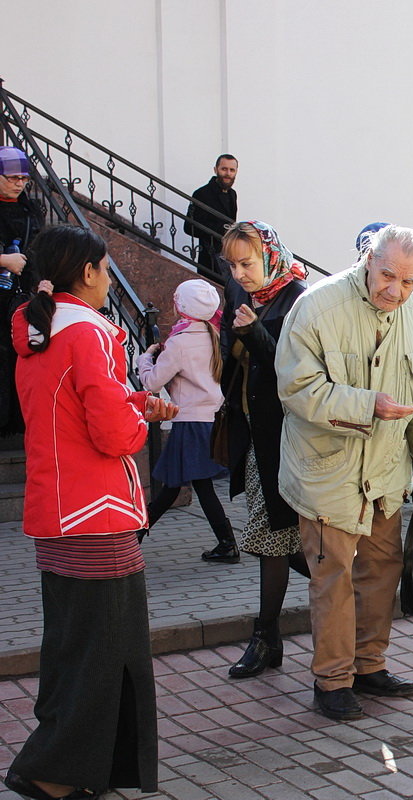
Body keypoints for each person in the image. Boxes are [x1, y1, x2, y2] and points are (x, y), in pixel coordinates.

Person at [4, 225, 177, 800]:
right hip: (98, 513)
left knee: (71, 645)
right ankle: (52, 772)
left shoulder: (39, 331)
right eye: (105, 270)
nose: (109, 280)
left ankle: (65, 766)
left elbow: (70, 411)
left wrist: (134, 403)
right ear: (87, 273)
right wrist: (142, 420)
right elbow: (109, 433)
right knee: (105, 649)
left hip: (56, 510)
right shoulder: (94, 334)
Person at [276, 224, 413, 721]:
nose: (395, 290)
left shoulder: (412, 314)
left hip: (385, 472)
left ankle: (368, 665)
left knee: (381, 572)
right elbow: (296, 389)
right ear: (367, 259)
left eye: (410, 282)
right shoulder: (316, 306)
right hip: (328, 472)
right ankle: (332, 680)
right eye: (387, 275)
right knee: (333, 578)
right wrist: (367, 404)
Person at [218, 220, 310, 679]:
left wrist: (253, 333)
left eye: (247, 263)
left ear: (269, 255)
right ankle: (269, 634)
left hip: (287, 437)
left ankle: (266, 635)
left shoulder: (298, 297)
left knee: (275, 532)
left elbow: (297, 371)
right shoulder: (241, 296)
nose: (239, 274)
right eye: (232, 265)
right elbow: (229, 363)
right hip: (253, 432)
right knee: (274, 532)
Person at [136, 279, 235, 558]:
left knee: (178, 487)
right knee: (188, 486)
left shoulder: (179, 342)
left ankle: (135, 538)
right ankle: (227, 543)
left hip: (189, 423)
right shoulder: (213, 335)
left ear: (181, 307)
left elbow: (152, 382)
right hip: (211, 419)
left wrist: (145, 359)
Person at [0, 145, 46, 436]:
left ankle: (15, 421)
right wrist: (4, 260)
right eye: (12, 177)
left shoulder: (29, 209)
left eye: (23, 179)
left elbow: (39, 249)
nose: (19, 183)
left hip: (17, 296)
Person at [184, 154, 238, 276]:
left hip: (227, 256)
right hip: (209, 257)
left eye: (232, 170)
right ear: (216, 170)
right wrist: (221, 228)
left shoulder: (232, 194)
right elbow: (189, 227)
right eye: (224, 169)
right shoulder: (201, 193)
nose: (228, 173)